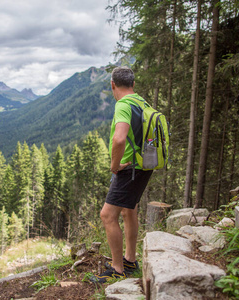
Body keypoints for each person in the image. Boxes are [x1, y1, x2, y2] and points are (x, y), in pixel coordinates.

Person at [90, 66, 153, 283]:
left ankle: (117, 269)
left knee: (107, 215)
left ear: (112, 85)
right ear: (133, 84)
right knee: (129, 210)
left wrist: (114, 165)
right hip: (143, 165)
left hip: (128, 168)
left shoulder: (123, 105)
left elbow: (119, 138)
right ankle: (130, 260)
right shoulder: (141, 102)